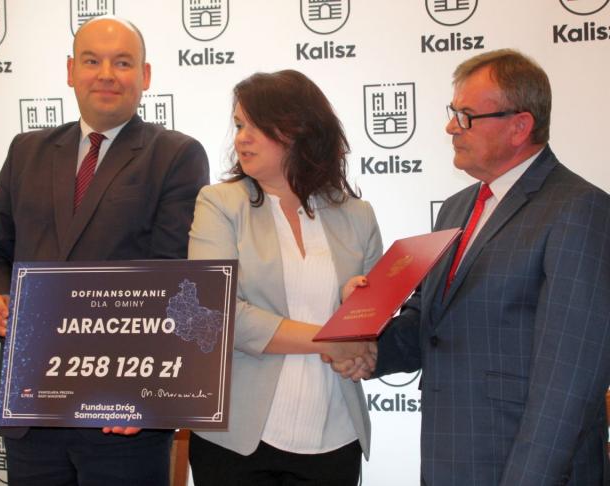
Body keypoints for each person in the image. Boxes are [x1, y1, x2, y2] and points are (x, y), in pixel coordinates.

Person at [336, 49, 610, 485]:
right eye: (453, 113)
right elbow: (429, 325)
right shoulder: (456, 209)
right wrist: (366, 344)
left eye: (466, 116)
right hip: (449, 459)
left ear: (520, 126)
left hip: (524, 468)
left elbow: (570, 380)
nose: (451, 127)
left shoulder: (579, 209)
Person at [0, 16, 209, 485]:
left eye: (122, 63)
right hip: (31, 406)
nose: (106, 74)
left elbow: (175, 277)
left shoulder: (176, 155)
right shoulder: (26, 151)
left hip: (122, 414)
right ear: (70, 70)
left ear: (145, 76)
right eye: (92, 61)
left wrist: (151, 395)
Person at [187, 69, 381, 485]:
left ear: (298, 130)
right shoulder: (220, 204)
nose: (241, 138)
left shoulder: (358, 215)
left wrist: (360, 329)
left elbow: (371, 321)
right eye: (238, 125)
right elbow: (214, 314)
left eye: (255, 126)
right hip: (236, 441)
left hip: (335, 437)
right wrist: (329, 341)